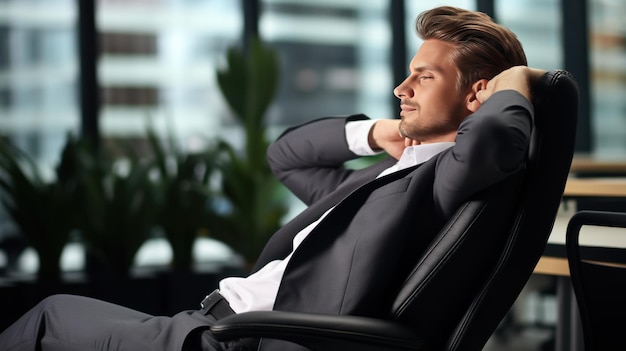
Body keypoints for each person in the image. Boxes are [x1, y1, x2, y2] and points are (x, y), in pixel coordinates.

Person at [0, 5, 546, 351]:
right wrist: (376, 133)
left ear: (477, 95)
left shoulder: (435, 185)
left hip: (237, 340)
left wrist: (513, 80)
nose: (402, 89)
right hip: (211, 322)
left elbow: (495, 142)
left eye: (422, 77)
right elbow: (286, 156)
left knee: (50, 319)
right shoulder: (387, 178)